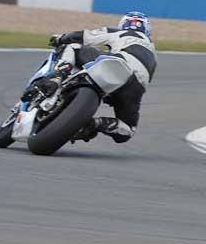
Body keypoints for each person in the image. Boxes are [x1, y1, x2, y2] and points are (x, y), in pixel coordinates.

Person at [33, 11, 157, 144]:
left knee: (73, 47)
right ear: (147, 30)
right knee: (127, 131)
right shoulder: (152, 52)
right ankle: (95, 124)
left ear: (123, 24)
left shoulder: (120, 32)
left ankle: (56, 78)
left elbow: (85, 36)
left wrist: (61, 38)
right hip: (135, 86)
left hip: (117, 63)